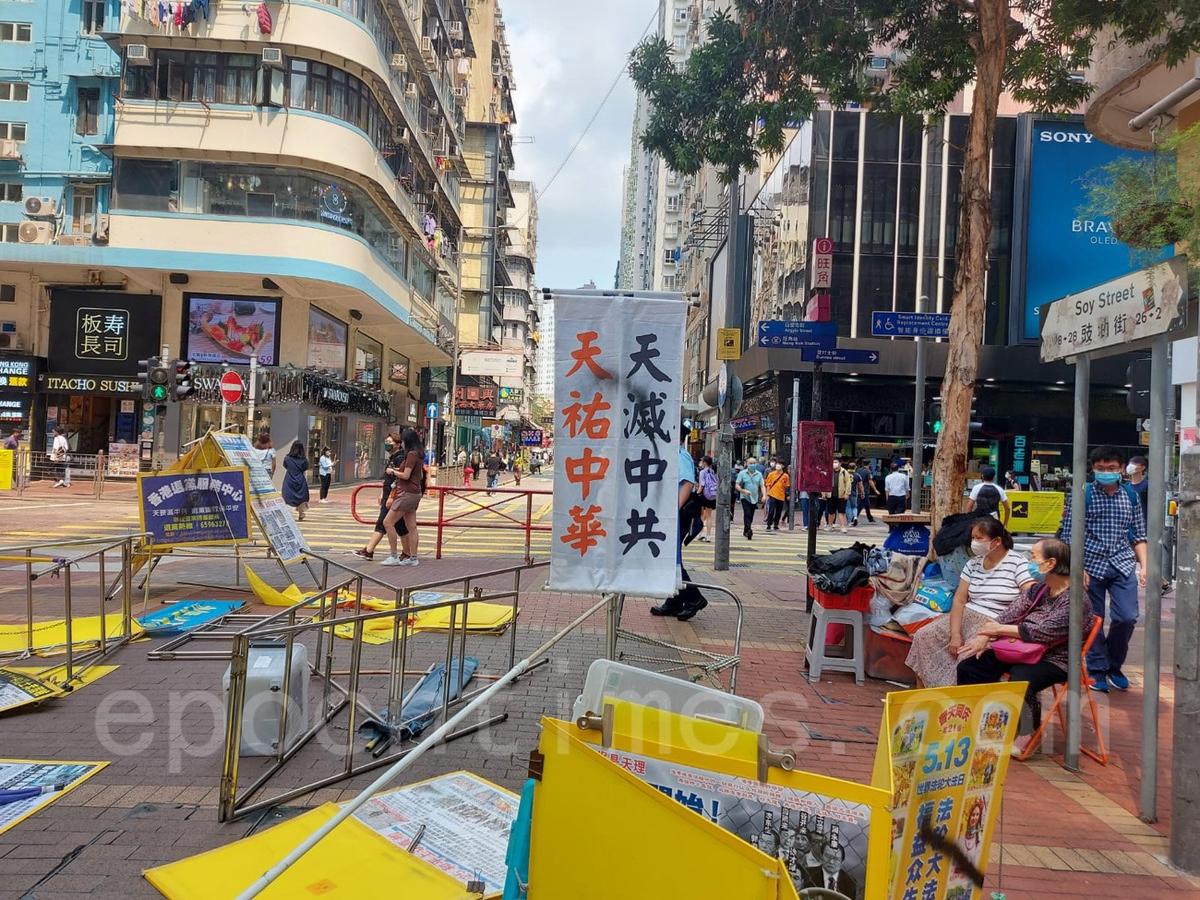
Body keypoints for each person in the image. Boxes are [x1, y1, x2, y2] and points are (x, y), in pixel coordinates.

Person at [957, 538, 1086, 757]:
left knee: (1021, 678)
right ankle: (977, 720)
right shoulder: (1038, 590)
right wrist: (986, 635)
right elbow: (1009, 614)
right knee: (970, 666)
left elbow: (1041, 631)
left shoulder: (1075, 600)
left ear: (1051, 563)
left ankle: (1029, 732)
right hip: (1021, 650)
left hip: (1055, 660)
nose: (1029, 562)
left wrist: (997, 629)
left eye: (1033, 557)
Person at [1060, 445, 1147, 693]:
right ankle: (1097, 670)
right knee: (1092, 619)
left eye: (1111, 468)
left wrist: (1145, 566)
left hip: (1122, 564)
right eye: (1100, 468)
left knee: (1127, 617)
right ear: (1093, 469)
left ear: (1122, 469)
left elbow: (1139, 534)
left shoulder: (1130, 496)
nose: (1106, 472)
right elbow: (1069, 535)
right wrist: (1077, 567)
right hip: (1089, 565)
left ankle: (1114, 665)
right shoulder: (1082, 494)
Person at [906, 517, 1034, 687]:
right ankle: (922, 694)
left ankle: (954, 698)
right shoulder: (973, 564)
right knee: (923, 636)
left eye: (979, 538)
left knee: (967, 656)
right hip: (966, 615)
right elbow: (959, 600)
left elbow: (1030, 597)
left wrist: (996, 630)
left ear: (997, 541)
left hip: (995, 622)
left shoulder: (1018, 563)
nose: (974, 543)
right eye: (973, 538)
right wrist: (955, 634)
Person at [651, 419, 707, 620]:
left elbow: (687, 483)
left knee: (670, 559)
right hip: (671, 512)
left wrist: (673, 510)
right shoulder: (671, 453)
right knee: (668, 559)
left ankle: (694, 598)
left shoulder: (680, 455)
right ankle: (674, 600)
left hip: (678, 513)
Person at [354, 434, 408, 560]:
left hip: (393, 497)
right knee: (400, 526)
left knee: (383, 523)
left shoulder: (400, 458)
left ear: (398, 444)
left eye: (390, 442)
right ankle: (407, 553)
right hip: (389, 496)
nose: (387, 444)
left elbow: (398, 480)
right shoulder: (393, 457)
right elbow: (388, 480)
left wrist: (391, 496)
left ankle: (370, 550)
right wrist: (382, 494)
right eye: (386, 442)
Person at [381, 428, 425, 567]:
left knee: (387, 522)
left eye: (403, 440)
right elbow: (420, 475)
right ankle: (413, 558)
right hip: (414, 493)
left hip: (406, 493)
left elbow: (406, 475)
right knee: (411, 526)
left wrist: (392, 472)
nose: (402, 443)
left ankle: (394, 556)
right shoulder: (418, 454)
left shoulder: (411, 454)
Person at [735, 456, 765, 540]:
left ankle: (746, 530)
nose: (752, 465)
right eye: (751, 463)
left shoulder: (759, 474)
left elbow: (762, 486)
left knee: (751, 514)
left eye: (754, 463)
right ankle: (749, 530)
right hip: (744, 497)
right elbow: (737, 485)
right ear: (747, 464)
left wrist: (764, 495)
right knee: (747, 513)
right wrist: (743, 490)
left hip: (754, 498)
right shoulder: (742, 473)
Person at [281, 441, 310, 521]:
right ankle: (301, 513)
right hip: (300, 479)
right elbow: (306, 467)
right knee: (302, 497)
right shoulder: (304, 460)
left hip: (289, 479)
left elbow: (285, 466)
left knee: (288, 496)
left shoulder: (287, 458)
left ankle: (288, 514)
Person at [825, 459, 853, 533]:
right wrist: (824, 493)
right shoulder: (829, 472)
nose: (834, 464)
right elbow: (825, 482)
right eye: (833, 462)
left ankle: (843, 527)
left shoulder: (844, 472)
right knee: (831, 512)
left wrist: (847, 493)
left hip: (841, 496)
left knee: (841, 512)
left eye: (836, 462)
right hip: (830, 495)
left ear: (840, 463)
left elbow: (848, 483)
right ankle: (830, 526)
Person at [763, 459, 790, 532]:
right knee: (771, 510)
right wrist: (767, 493)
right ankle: (769, 525)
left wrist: (787, 494)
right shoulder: (771, 474)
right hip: (772, 495)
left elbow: (787, 486)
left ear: (783, 466)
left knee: (778, 511)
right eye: (777, 464)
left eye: (780, 464)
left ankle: (776, 525)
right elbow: (768, 484)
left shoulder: (785, 476)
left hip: (781, 496)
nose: (778, 465)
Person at [697, 455, 718, 542]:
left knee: (702, 515)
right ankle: (708, 535)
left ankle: (700, 533)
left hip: (704, 495)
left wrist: (697, 493)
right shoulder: (713, 471)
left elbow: (702, 485)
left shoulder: (702, 472)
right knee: (709, 516)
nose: (700, 463)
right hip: (712, 495)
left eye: (701, 461)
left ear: (705, 463)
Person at [852, 458, 877, 525]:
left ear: (862, 463)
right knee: (860, 506)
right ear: (869, 464)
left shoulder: (858, 470)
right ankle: (854, 518)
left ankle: (870, 518)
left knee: (867, 505)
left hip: (858, 490)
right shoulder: (868, 471)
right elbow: (870, 481)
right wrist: (875, 490)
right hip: (865, 491)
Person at [1126, 454, 1148, 525]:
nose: (1130, 466)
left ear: (1143, 467)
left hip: (1143, 523)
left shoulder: (1148, 486)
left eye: (1134, 464)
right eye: (1130, 464)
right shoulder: (1125, 486)